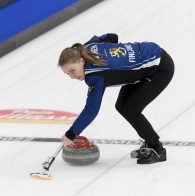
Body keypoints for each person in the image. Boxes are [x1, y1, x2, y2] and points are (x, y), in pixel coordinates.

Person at [58, 33, 174, 164]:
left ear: (81, 61)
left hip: (160, 68)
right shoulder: (87, 47)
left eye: (73, 70)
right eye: (67, 74)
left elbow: (91, 110)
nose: (72, 76)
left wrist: (71, 133)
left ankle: (156, 148)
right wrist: (119, 58)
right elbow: (112, 37)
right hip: (148, 57)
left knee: (131, 110)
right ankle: (150, 143)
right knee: (121, 106)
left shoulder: (95, 76)